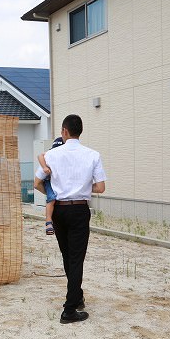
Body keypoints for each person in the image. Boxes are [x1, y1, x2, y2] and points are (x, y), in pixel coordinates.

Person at [34, 114, 106, 324]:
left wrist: (52, 193)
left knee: (68, 256)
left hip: (59, 210)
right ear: (79, 131)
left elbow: (37, 183)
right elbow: (100, 187)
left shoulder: (52, 155)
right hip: (80, 210)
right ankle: (69, 309)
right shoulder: (93, 155)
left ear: (64, 131)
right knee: (76, 258)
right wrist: (83, 187)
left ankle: (77, 296)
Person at [37, 137, 64, 235]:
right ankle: (48, 222)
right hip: (48, 179)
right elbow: (40, 155)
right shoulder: (49, 155)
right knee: (52, 198)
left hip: (55, 181)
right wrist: (44, 167)